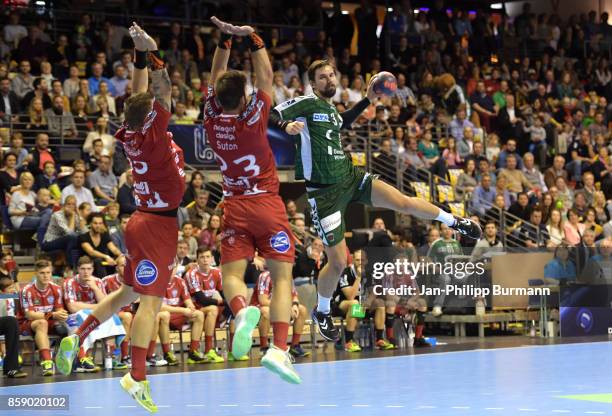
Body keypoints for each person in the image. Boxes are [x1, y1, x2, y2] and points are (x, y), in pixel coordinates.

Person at [274, 58, 481, 342]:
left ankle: (455, 221)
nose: (329, 80)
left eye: (332, 75)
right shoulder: (306, 103)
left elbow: (342, 122)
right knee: (336, 263)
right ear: (312, 83)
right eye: (322, 77)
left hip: (349, 175)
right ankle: (322, 311)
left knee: (404, 202)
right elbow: (272, 114)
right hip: (324, 194)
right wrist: (286, 127)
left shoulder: (331, 109)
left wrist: (367, 100)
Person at [56, 23, 185, 413]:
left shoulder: (129, 130)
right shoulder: (156, 132)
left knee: (128, 293)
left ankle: (78, 336)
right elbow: (162, 89)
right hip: (157, 224)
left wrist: (140, 54)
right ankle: (137, 376)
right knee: (150, 303)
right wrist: (155, 51)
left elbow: (141, 90)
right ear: (152, 116)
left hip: (142, 221)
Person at [202, 16, 305, 384]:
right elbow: (266, 79)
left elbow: (216, 78)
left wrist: (224, 40)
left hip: (233, 205)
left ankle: (242, 310)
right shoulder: (253, 116)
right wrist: (255, 40)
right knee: (281, 279)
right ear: (244, 98)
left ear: (216, 97)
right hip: (266, 204)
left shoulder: (211, 116)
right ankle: (278, 349)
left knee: (231, 274)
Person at [19, 259, 68, 376]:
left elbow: (59, 309)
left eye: (48, 272)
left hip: (49, 321)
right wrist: (52, 315)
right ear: (36, 273)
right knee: (42, 323)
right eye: (42, 273)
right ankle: (47, 362)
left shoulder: (56, 289)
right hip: (27, 324)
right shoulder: (26, 290)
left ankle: (77, 360)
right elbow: (29, 314)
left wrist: (62, 314)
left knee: (71, 323)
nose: (46, 276)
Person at [250, 270, 310, 358]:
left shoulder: (288, 276)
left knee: (302, 310)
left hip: (279, 308)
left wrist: (294, 305)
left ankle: (295, 346)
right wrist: (285, 307)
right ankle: (264, 348)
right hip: (260, 308)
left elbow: (295, 296)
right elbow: (263, 300)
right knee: (267, 312)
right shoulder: (265, 276)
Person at [156, 267, 206, 365]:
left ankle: (193, 353)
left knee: (199, 315)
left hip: (178, 314)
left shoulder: (180, 281)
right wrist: (183, 310)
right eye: (168, 267)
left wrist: (190, 307)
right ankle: (167, 353)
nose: (170, 270)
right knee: (164, 315)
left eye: (173, 268)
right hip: (165, 315)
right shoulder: (157, 282)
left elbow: (188, 301)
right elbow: (159, 307)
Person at [183, 248, 224, 363]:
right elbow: (202, 300)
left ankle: (232, 350)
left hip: (204, 308)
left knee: (232, 310)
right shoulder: (191, 274)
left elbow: (223, 293)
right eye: (202, 257)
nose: (205, 260)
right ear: (197, 260)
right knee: (213, 308)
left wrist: (229, 304)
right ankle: (208, 350)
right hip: (190, 310)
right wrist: (222, 302)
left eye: (207, 257)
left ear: (212, 259)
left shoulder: (217, 272)